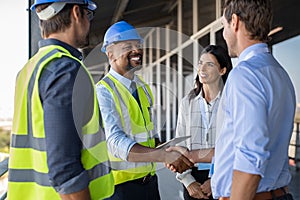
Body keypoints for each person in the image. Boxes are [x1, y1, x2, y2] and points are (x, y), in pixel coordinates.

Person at [7, 1, 114, 199]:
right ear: (76, 13)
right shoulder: (65, 70)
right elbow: (65, 171)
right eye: (88, 15)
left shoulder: (30, 69)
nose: (89, 24)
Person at [96, 20, 193, 200]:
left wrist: (168, 150)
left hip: (149, 183)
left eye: (138, 45)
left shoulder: (142, 87)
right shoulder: (103, 91)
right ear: (110, 55)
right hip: (121, 189)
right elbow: (114, 141)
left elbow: (149, 136)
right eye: (127, 46)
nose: (137, 50)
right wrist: (163, 155)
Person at [211, 0, 296, 199]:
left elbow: (250, 157)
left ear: (235, 21)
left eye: (223, 26)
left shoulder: (245, 74)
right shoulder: (279, 73)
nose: (224, 34)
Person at [175, 45, 232, 200]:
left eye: (210, 64)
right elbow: (180, 145)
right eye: (200, 63)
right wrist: (188, 182)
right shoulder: (187, 102)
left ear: (222, 70)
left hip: (224, 178)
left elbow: (234, 146)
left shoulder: (231, 102)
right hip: (192, 179)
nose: (202, 68)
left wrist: (215, 180)